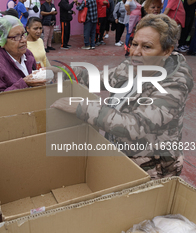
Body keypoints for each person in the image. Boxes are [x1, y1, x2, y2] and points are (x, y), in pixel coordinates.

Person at [51, 14, 193, 179]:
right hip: (122, 154)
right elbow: (98, 79)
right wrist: (61, 73)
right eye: (134, 44)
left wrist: (82, 107)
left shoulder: (174, 85)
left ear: (167, 51)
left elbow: (136, 125)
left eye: (147, 47)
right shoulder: (132, 66)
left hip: (152, 168)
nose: (136, 52)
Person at [0, 16, 46, 93]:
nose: (23, 40)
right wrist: (24, 83)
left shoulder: (27, 54)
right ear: (2, 40)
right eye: (16, 36)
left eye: (23, 34)